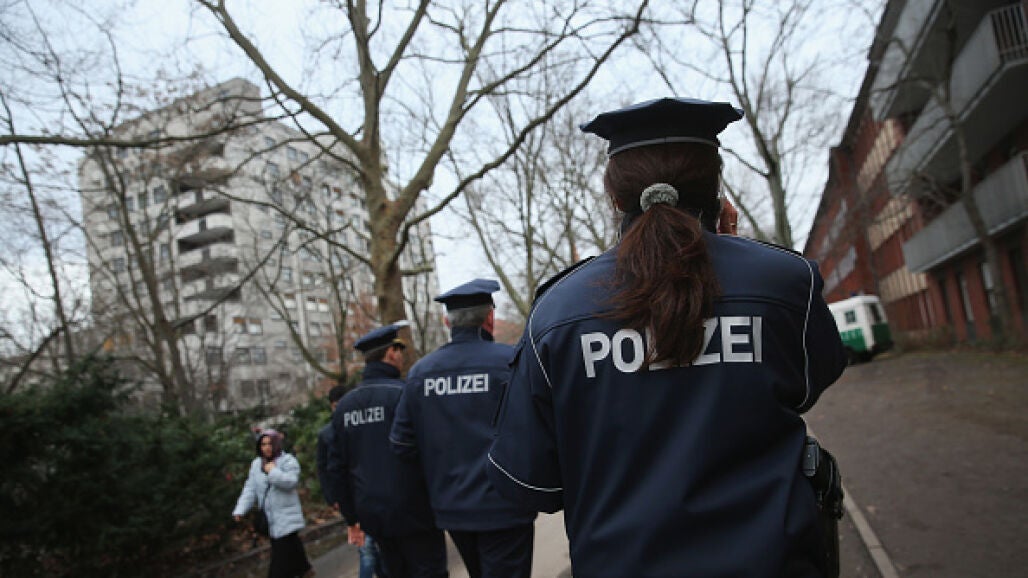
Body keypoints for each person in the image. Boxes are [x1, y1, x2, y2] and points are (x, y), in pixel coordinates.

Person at [487, 97, 848, 578]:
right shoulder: (785, 282)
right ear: (715, 187)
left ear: (616, 199)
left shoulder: (556, 313)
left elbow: (531, 483)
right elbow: (807, 386)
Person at [391, 279, 537, 578]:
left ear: (448, 322)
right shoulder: (510, 362)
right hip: (506, 506)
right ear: (490, 318)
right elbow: (538, 428)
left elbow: (402, 444)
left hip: (452, 508)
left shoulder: (421, 373)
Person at [329, 323, 448, 578]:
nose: (402, 357)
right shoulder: (405, 394)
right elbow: (434, 451)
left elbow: (337, 468)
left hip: (373, 516)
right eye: (399, 351)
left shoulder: (344, 407)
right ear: (391, 353)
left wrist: (351, 517)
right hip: (416, 511)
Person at [318, 385, 385, 578]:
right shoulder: (327, 434)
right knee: (367, 548)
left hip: (366, 491)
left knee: (372, 547)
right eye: (336, 405)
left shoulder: (360, 425)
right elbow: (324, 468)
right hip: (351, 496)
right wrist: (332, 497)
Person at [233, 429, 313, 578]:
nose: (267, 448)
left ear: (276, 444)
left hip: (287, 517)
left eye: (270, 444)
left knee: (279, 563)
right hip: (271, 519)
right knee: (292, 549)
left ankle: (301, 570)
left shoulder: (287, 461)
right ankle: (305, 570)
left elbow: (291, 482)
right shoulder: (256, 464)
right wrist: (240, 509)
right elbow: (250, 488)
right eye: (263, 444)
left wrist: (273, 472)